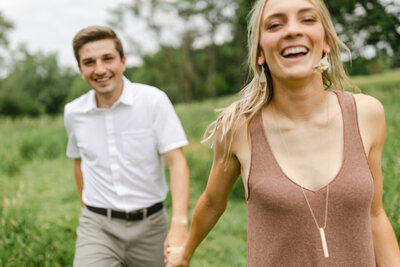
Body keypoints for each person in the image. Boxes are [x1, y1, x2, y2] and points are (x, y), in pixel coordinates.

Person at [166, 0, 400, 266]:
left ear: (326, 42)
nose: (292, 31)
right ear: (259, 53)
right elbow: (211, 203)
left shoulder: (366, 115)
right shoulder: (238, 127)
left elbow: (375, 214)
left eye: (308, 20)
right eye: (275, 25)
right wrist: (185, 253)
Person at [64, 25, 190, 267]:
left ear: (123, 61)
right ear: (80, 70)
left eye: (107, 59)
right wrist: (86, 208)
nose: (100, 69)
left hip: (152, 226)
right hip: (98, 226)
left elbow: (177, 163)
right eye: (89, 62)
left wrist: (178, 225)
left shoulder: (154, 101)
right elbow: (78, 162)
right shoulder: (73, 112)